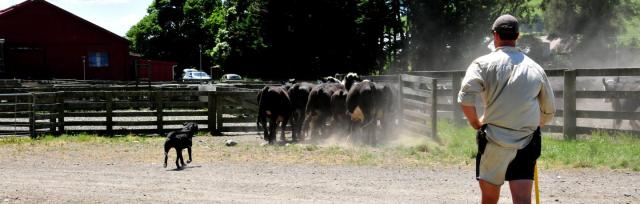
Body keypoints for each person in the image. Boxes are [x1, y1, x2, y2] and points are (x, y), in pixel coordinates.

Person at [457, 14, 556, 204]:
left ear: (495, 35)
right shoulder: (535, 68)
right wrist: (536, 124)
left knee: (489, 198)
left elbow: (466, 98)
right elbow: (549, 110)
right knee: (521, 199)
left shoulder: (481, 64)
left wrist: (476, 123)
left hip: (493, 140)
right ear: (517, 36)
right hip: (527, 142)